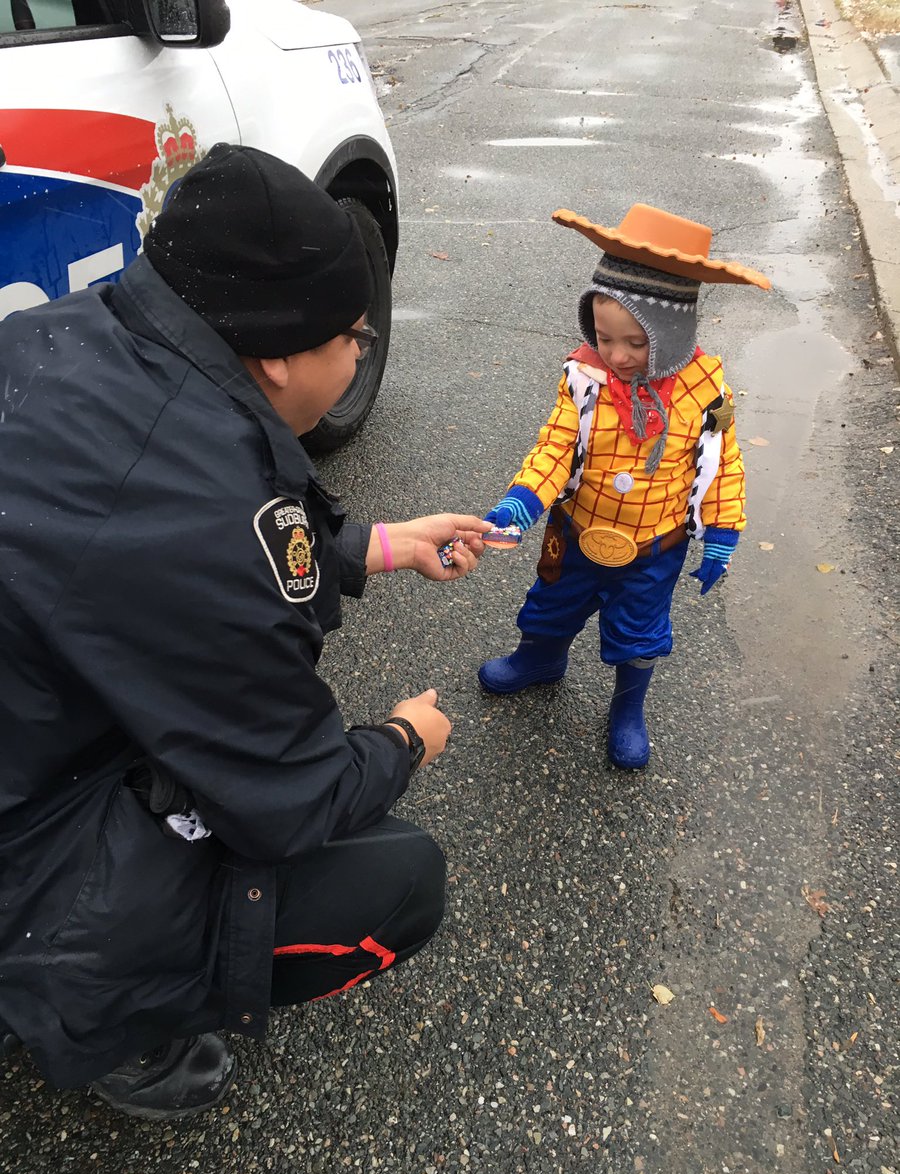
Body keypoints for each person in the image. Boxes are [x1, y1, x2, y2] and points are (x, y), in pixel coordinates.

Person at [0, 144, 490, 1120]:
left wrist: (382, 544)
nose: (360, 352)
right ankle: (110, 1019)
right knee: (398, 880)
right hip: (29, 831)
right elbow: (289, 796)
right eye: (349, 334)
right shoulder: (200, 519)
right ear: (275, 354)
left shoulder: (72, 335)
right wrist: (402, 742)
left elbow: (181, 524)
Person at [478, 205, 770, 769]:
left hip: (653, 545)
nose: (617, 355)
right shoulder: (586, 379)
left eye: (636, 343)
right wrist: (522, 502)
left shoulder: (704, 388)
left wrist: (724, 530)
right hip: (578, 528)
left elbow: (721, 463)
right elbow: (556, 446)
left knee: (641, 631)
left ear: (673, 332)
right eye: (604, 337)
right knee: (550, 603)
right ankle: (540, 657)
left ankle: (628, 707)